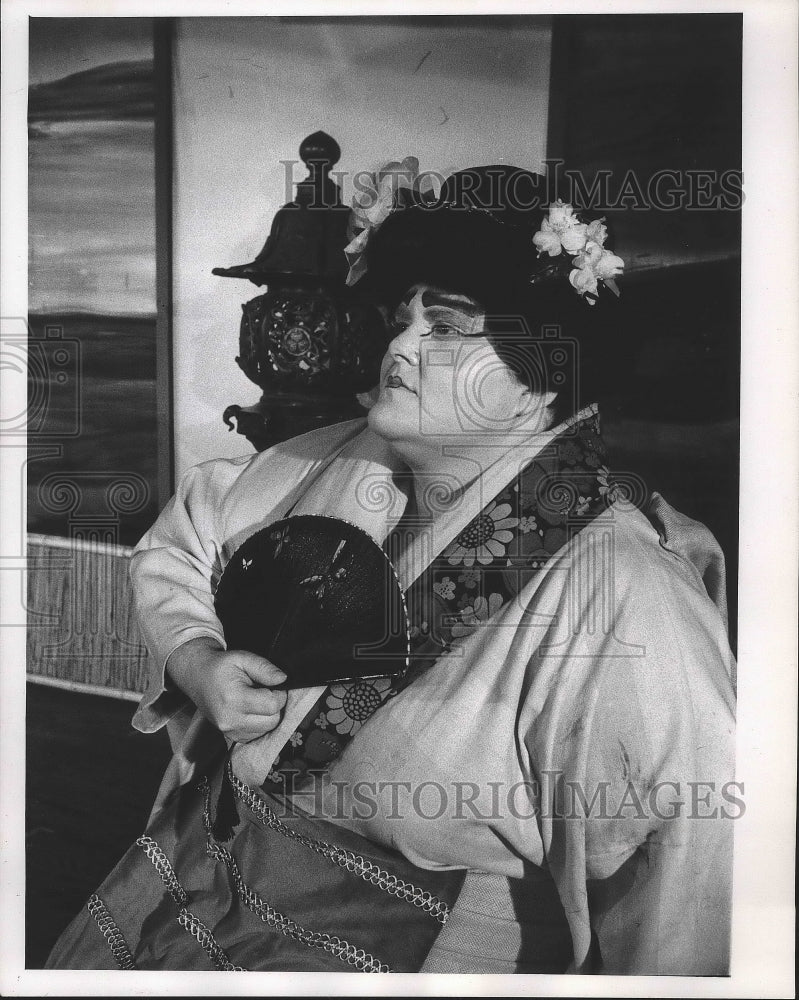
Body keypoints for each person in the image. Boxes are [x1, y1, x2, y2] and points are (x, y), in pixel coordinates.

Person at [46, 163, 737, 975]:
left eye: (445, 328)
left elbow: (685, 876)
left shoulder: (627, 591)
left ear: (538, 380)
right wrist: (196, 658)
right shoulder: (334, 457)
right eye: (399, 320)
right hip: (202, 874)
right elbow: (183, 538)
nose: (399, 347)